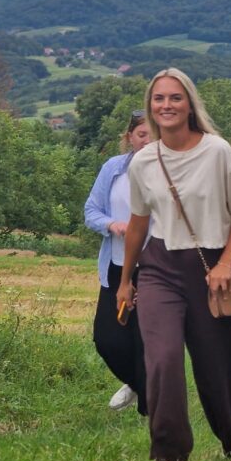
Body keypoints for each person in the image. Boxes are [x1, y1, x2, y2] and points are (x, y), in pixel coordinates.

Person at [116, 68, 231, 461]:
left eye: (175, 98)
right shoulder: (142, 161)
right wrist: (127, 280)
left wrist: (226, 263)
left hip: (210, 269)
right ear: (150, 107)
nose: (166, 105)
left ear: (190, 104)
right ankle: (169, 454)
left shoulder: (217, 151)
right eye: (159, 99)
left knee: (216, 364)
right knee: (162, 359)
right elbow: (139, 223)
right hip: (159, 267)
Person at [83, 109, 151, 415]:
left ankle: (152, 412)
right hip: (117, 263)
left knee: (146, 340)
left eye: (155, 135)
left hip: (154, 266)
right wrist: (113, 225)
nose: (148, 141)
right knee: (107, 339)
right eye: (142, 135)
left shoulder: (170, 171)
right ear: (129, 138)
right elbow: (91, 210)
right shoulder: (113, 169)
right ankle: (137, 384)